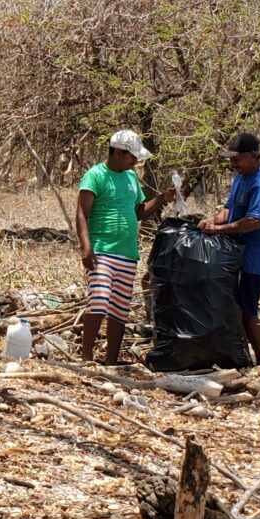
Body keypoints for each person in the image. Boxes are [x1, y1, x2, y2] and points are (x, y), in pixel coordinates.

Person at [76, 130, 177, 364]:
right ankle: (86, 357)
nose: (136, 161)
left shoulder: (131, 178)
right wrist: (86, 247)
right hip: (101, 250)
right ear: (119, 152)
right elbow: (82, 213)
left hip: (128, 253)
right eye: (132, 156)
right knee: (98, 302)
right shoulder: (95, 175)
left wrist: (162, 198)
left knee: (119, 309)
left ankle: (111, 360)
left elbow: (139, 211)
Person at [201, 132, 260, 364]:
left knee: (248, 309)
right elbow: (229, 209)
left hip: (254, 257)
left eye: (237, 159)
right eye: (231, 159)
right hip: (234, 254)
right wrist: (213, 220)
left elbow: (255, 221)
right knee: (234, 307)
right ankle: (241, 356)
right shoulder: (240, 177)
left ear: (253, 156)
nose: (233, 164)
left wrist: (219, 230)